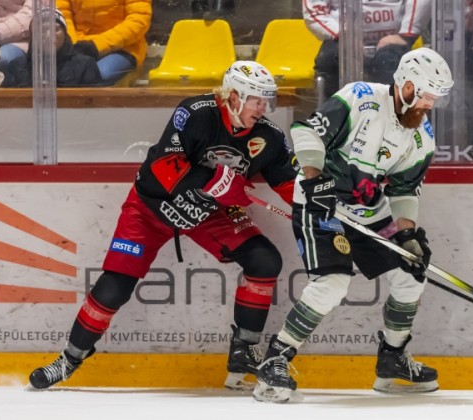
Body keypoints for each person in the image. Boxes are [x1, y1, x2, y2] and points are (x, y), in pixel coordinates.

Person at [28, 60, 299, 391]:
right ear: (233, 97)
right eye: (257, 100)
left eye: (267, 100)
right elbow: (164, 164)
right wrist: (216, 180)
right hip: (151, 207)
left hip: (208, 214)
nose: (264, 108)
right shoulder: (196, 112)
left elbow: (291, 184)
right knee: (115, 285)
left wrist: (317, 210)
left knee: (265, 260)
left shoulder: (269, 136)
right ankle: (68, 359)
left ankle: (244, 350)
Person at [252, 47, 454, 403]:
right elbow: (306, 131)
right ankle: (275, 359)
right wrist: (313, 177)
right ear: (407, 85)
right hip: (321, 204)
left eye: (436, 99)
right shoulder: (360, 98)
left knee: (411, 274)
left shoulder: (421, 136)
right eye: (426, 96)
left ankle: (392, 359)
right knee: (332, 284)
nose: (430, 105)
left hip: (367, 211)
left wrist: (407, 234)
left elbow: (405, 191)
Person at [304, 0, 431, 100]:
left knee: (388, 62)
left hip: (394, 40)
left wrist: (406, 35)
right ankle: (336, 118)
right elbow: (313, 10)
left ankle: (391, 119)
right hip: (341, 40)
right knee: (330, 61)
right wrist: (344, 35)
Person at [57, 0, 151, 85]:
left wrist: (97, 45)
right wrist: (73, 44)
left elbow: (139, 21)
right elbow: (63, 15)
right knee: (59, 75)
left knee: (93, 75)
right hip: (78, 46)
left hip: (125, 48)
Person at [2, 9, 101, 87]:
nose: (49, 35)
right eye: (42, 30)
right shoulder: (17, 67)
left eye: (56, 29)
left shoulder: (85, 65)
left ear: (65, 34)